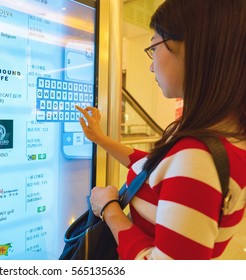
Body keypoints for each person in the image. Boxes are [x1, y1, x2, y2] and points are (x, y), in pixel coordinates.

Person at [76, 0, 246, 260]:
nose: (151, 65)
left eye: (153, 47)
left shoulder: (198, 158)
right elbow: (153, 169)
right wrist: (100, 139)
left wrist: (108, 209)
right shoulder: (219, 138)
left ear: (192, 48)